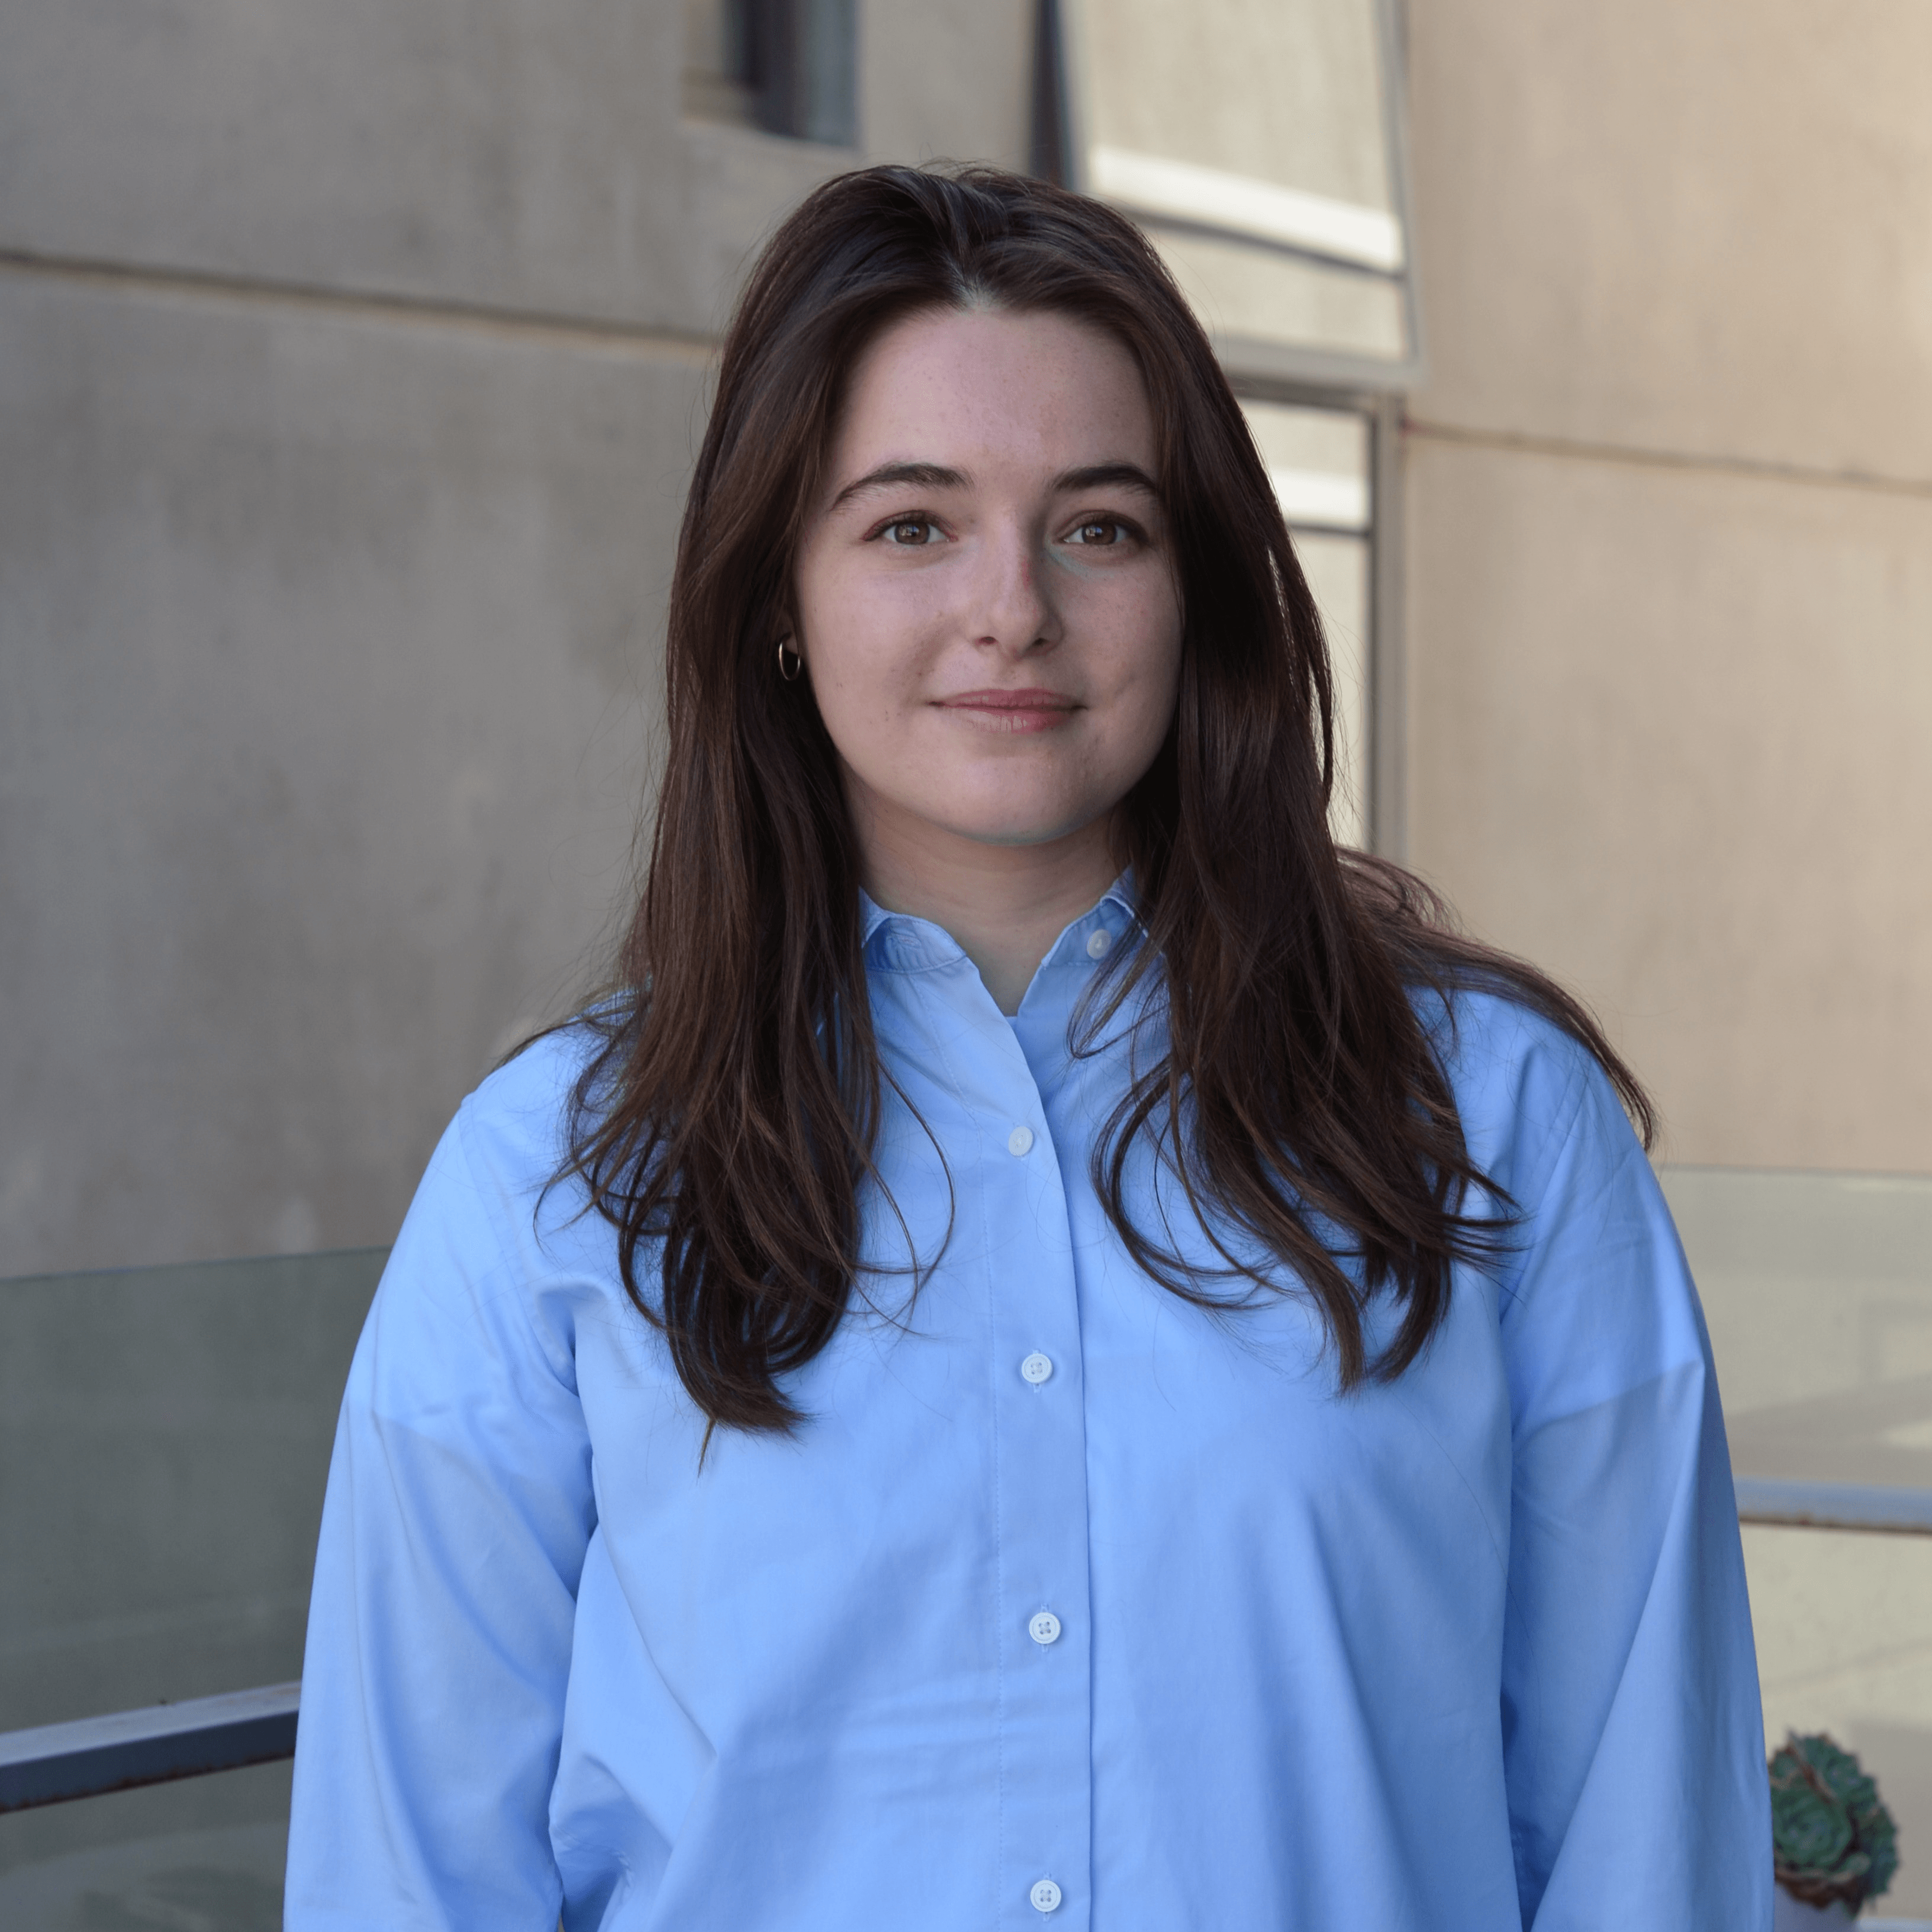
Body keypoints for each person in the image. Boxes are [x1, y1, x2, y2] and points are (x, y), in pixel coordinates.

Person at [284, 165, 1770, 1929]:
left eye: (1100, 526)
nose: (1014, 611)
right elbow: (412, 1876)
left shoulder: (1494, 1123)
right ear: (781, 593)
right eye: (914, 525)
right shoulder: (552, 1180)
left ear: (1196, 584)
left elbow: (1642, 1844)